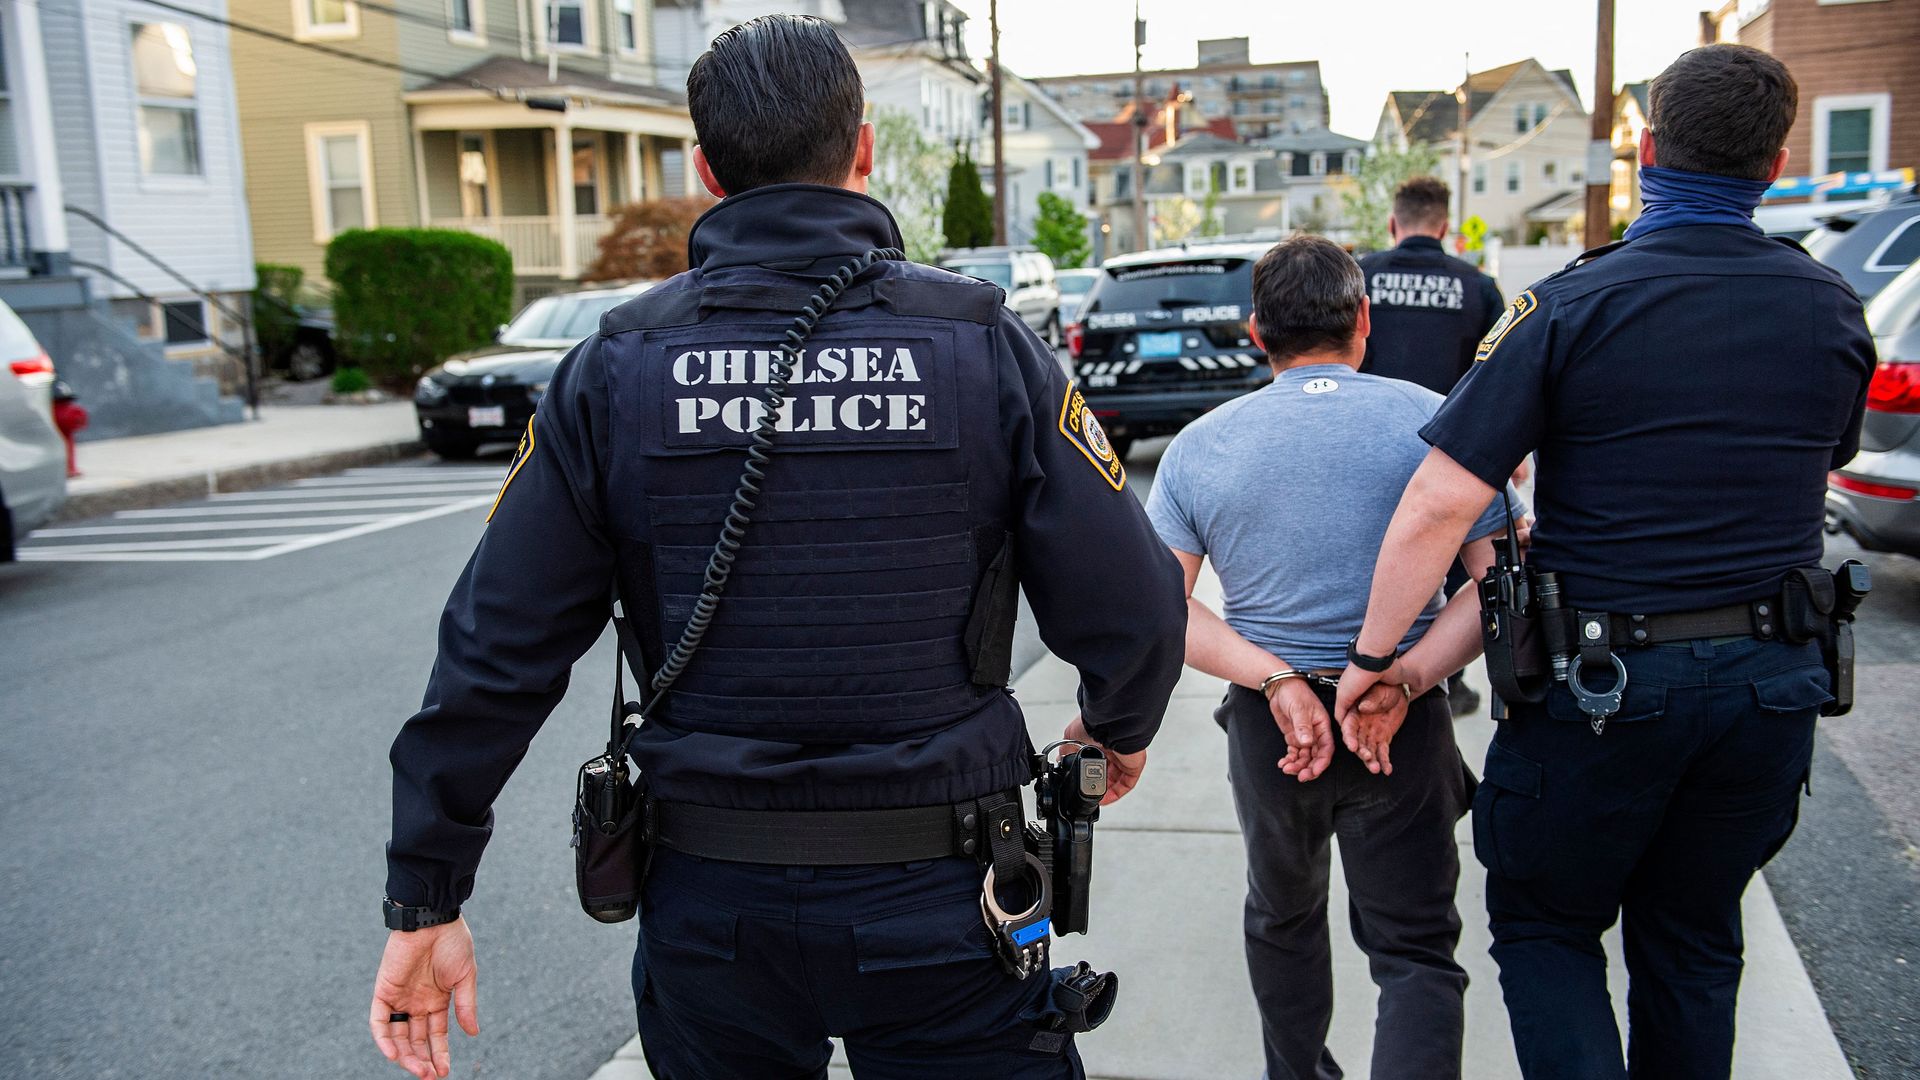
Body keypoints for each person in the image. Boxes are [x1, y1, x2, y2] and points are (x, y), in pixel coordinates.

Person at [367, 16, 1187, 1080]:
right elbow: (1136, 607)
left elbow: (494, 650)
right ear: (863, 151)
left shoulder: (613, 370)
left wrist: (427, 894)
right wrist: (1114, 730)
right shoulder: (983, 346)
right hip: (947, 901)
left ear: (706, 170)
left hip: (715, 912)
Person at [1335, 44, 1876, 1080]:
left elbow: (1440, 502)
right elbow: (1829, 452)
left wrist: (1378, 661)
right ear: (1774, 163)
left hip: (1604, 689)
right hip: (1769, 688)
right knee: (1695, 934)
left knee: (1546, 928)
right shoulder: (1829, 306)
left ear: (1646, 150)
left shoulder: (1573, 306)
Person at [1144, 235, 1519, 1080]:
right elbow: (1499, 589)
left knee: (1283, 917)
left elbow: (1160, 611)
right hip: (1402, 719)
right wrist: (1410, 675)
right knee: (1417, 950)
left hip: (1273, 730)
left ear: (1254, 332)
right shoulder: (1438, 421)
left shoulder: (1200, 446)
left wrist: (1275, 678)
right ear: (1363, 321)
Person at [1358, 176, 1508, 718]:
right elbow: (1498, 377)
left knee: (1384, 556)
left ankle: (1372, 661)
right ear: (1444, 226)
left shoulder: (1362, 277)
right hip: (1457, 456)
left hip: (1372, 447)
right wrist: (1506, 456)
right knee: (1454, 565)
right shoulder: (1478, 285)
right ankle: (1449, 676)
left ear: (1394, 224)